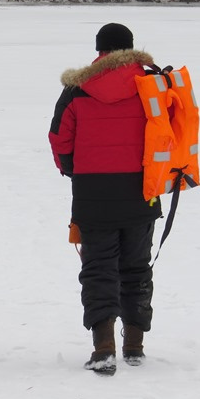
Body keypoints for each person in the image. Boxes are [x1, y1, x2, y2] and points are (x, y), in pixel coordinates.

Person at [48, 23, 161, 376]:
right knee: (137, 267)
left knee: (98, 269)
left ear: (99, 50)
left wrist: (74, 170)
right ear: (130, 48)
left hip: (93, 192)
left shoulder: (77, 89)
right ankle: (135, 345)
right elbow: (169, 132)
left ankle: (104, 347)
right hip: (142, 189)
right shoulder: (152, 86)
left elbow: (59, 139)